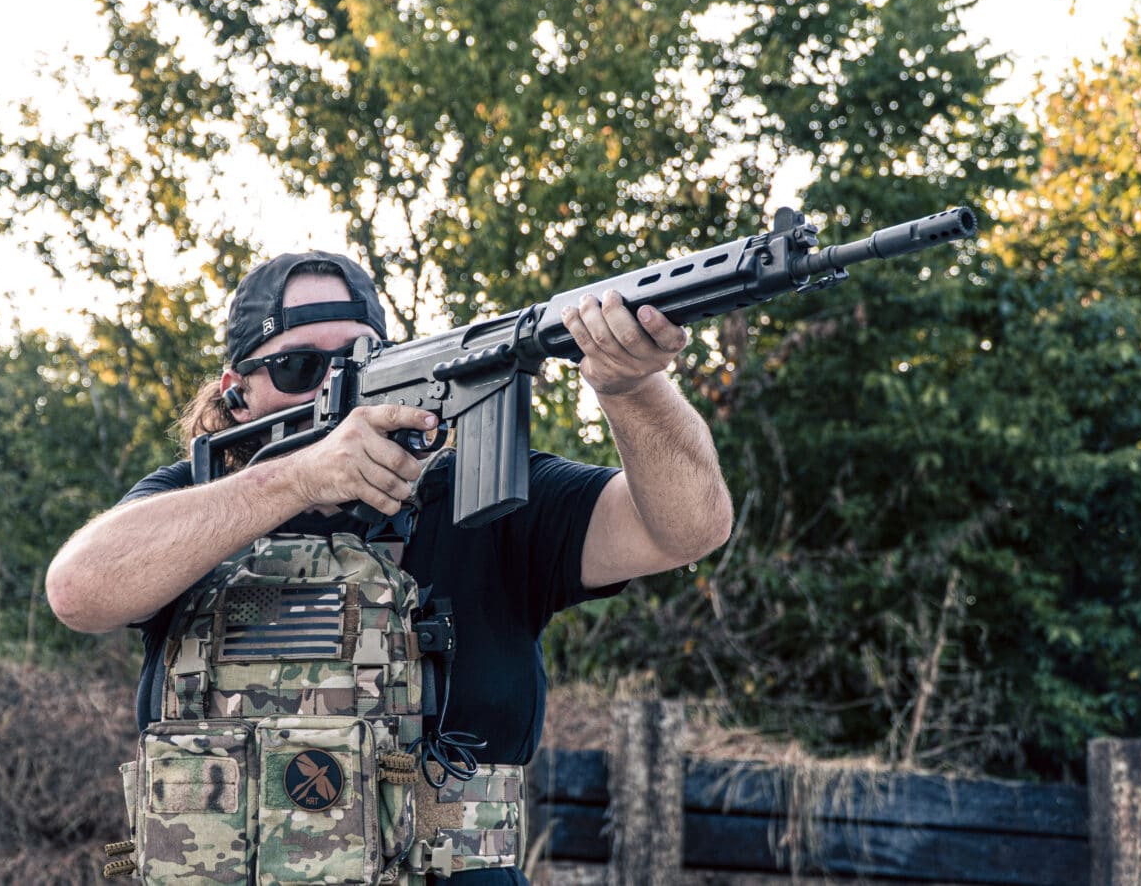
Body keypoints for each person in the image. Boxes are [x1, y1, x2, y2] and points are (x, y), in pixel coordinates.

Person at [47, 251, 733, 884]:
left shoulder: (475, 494)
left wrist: (634, 386)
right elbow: (77, 589)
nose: (330, 384)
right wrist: (299, 479)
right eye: (296, 368)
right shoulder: (194, 508)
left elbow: (688, 526)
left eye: (355, 358)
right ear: (237, 393)